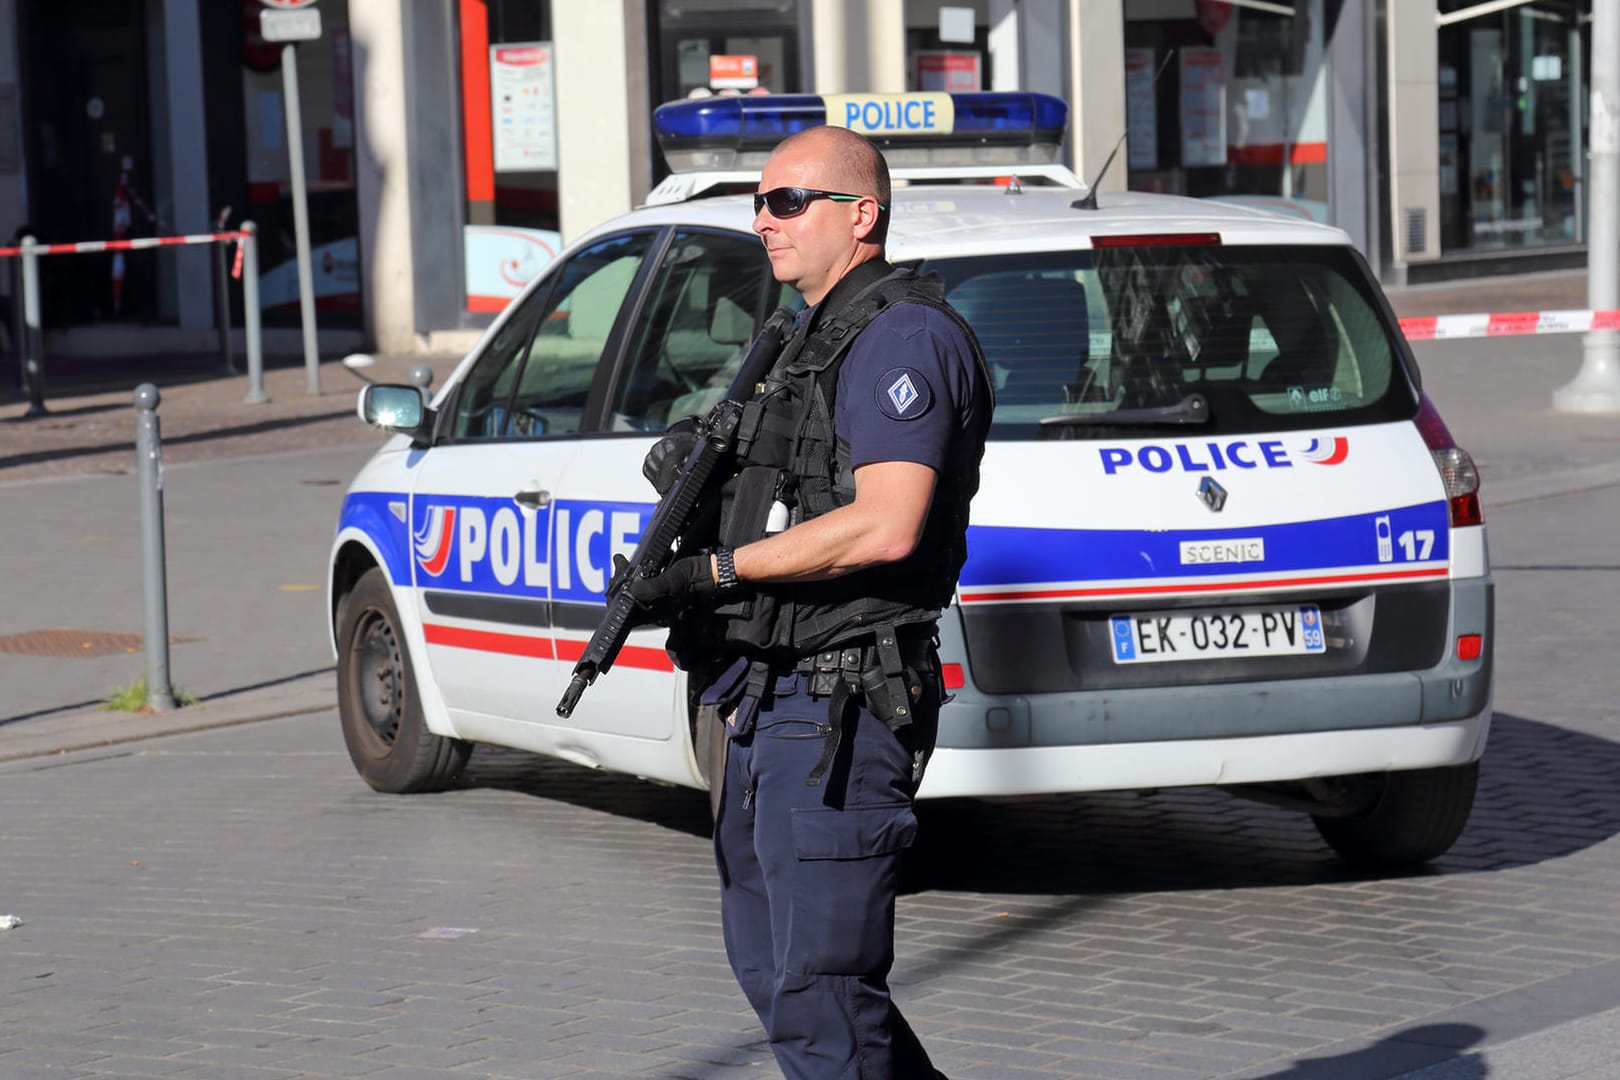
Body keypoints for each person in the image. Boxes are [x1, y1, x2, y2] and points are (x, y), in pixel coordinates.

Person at [628, 125, 992, 1078]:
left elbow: (887, 524)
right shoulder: (803, 337)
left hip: (840, 705)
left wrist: (720, 571)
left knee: (821, 996)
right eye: (759, 200)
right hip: (767, 695)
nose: (764, 220)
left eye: (789, 201)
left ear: (861, 215)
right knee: (778, 971)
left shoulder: (903, 337)